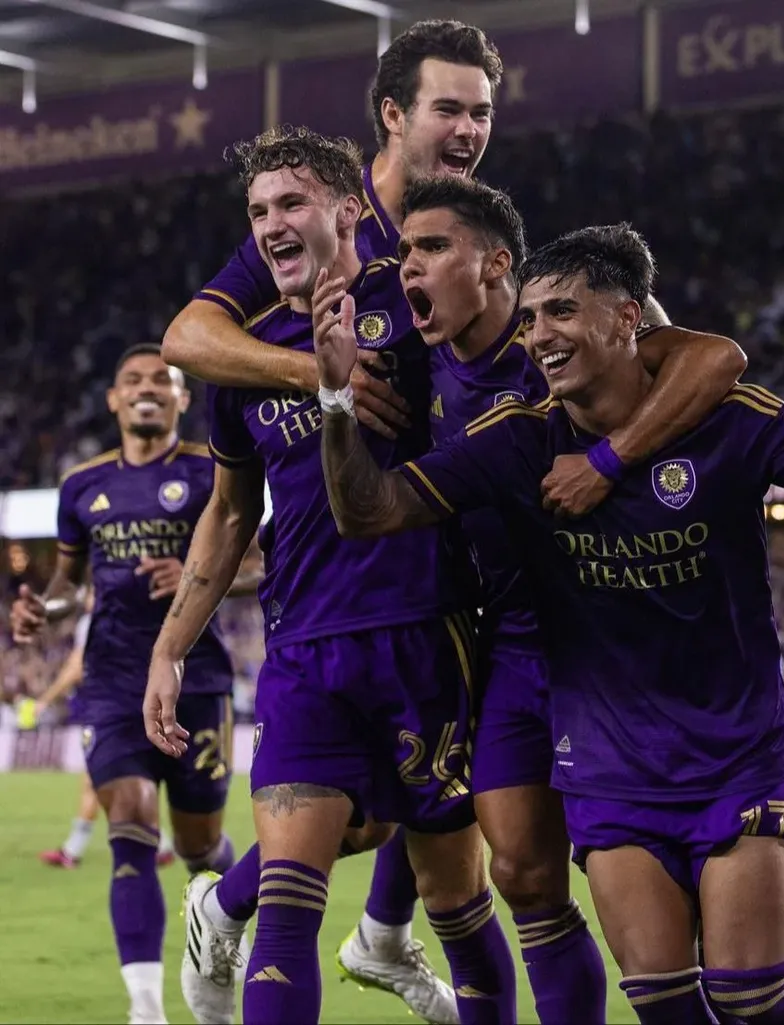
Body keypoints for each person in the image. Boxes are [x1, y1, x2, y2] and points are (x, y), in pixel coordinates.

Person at [158, 17, 746, 1020]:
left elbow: (688, 351)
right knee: (422, 868)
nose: (471, 127)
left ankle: (374, 929)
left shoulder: (475, 275)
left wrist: (612, 453)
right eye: (449, 108)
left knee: (506, 877)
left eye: (482, 111)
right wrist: (323, 376)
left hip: (464, 627)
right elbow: (189, 340)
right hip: (330, 629)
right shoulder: (320, 248)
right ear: (392, 116)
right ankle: (312, 917)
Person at [313, 225, 784, 1025]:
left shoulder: (728, 421)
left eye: (562, 310)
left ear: (630, 316)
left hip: (737, 755)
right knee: (666, 1005)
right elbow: (369, 510)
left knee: (750, 995)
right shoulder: (520, 439)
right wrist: (334, 399)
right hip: (609, 769)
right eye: (528, 319)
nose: (539, 336)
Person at [330, 172, 744, 1024]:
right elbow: (370, 500)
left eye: (430, 248)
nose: (408, 267)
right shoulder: (416, 360)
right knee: (520, 871)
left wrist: (609, 460)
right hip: (511, 634)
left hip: (615, 627)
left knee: (671, 897)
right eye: (405, 250)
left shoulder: (563, 336)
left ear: (496, 266)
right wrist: (330, 388)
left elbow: (716, 358)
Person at [143, 126, 517, 1025]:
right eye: (259, 211)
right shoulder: (247, 359)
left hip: (433, 636)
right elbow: (231, 514)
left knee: (458, 903)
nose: (271, 224)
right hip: (307, 648)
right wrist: (169, 649)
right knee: (288, 903)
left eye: (291, 205)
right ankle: (223, 914)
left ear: (350, 212)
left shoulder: (415, 308)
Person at [10, 344, 249, 1025]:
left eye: (163, 381)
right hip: (113, 678)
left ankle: (219, 928)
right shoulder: (81, 485)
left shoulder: (214, 470)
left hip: (197, 676)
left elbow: (262, 560)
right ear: (114, 400)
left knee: (201, 845)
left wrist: (203, 574)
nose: (147, 389)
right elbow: (68, 584)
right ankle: (146, 1009)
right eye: (133, 380)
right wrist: (43, 610)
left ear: (181, 399)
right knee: (132, 821)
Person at [20, 592, 177, 869]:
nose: (87, 596)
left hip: (109, 709)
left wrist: (44, 700)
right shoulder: (133, 614)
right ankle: (159, 844)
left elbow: (76, 667)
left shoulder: (95, 622)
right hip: (133, 704)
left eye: (92, 590)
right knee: (121, 777)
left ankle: (75, 850)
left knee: (98, 777)